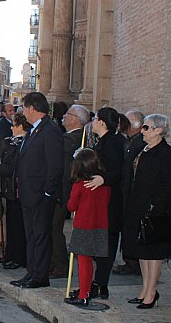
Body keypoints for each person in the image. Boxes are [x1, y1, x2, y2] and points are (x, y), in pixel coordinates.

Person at [11, 92, 63, 289]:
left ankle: (40, 276)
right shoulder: (34, 129)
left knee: (41, 235)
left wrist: (48, 193)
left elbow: (55, 165)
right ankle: (32, 272)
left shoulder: (50, 130)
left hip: (41, 195)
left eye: (24, 108)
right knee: (31, 235)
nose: (23, 112)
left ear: (32, 108)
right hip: (28, 193)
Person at [122, 114, 171, 309]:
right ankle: (145, 289)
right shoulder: (143, 149)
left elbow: (167, 185)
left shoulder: (166, 154)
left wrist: (155, 206)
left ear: (158, 130)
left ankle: (152, 291)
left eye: (146, 128)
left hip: (154, 211)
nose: (142, 131)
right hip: (137, 205)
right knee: (141, 250)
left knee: (154, 252)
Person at [84, 107, 125, 299]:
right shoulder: (104, 140)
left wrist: (104, 179)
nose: (92, 122)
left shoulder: (114, 142)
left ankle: (100, 283)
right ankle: (98, 283)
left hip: (110, 201)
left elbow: (117, 171)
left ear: (101, 122)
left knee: (106, 243)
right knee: (101, 243)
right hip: (101, 200)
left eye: (95, 119)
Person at [65, 149, 111, 308]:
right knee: (90, 261)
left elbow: (71, 206)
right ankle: (85, 290)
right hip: (100, 226)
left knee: (83, 262)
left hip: (84, 226)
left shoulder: (79, 185)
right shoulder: (104, 186)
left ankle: (84, 295)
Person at [51, 104, 89, 278]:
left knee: (54, 227)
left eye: (68, 114)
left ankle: (60, 265)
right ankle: (55, 262)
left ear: (76, 120)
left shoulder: (74, 139)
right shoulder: (70, 137)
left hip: (64, 189)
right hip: (62, 188)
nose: (64, 116)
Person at [0, 113, 31, 270]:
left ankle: (18, 257)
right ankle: (10, 254)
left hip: (18, 190)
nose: (10, 128)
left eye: (13, 125)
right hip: (10, 190)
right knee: (12, 224)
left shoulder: (23, 143)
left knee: (18, 226)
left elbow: (11, 167)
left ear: (20, 126)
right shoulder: (10, 142)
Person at [114, 110, 146, 276]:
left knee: (132, 229)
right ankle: (130, 260)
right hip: (126, 191)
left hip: (132, 193)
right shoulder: (131, 141)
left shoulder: (139, 143)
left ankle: (133, 262)